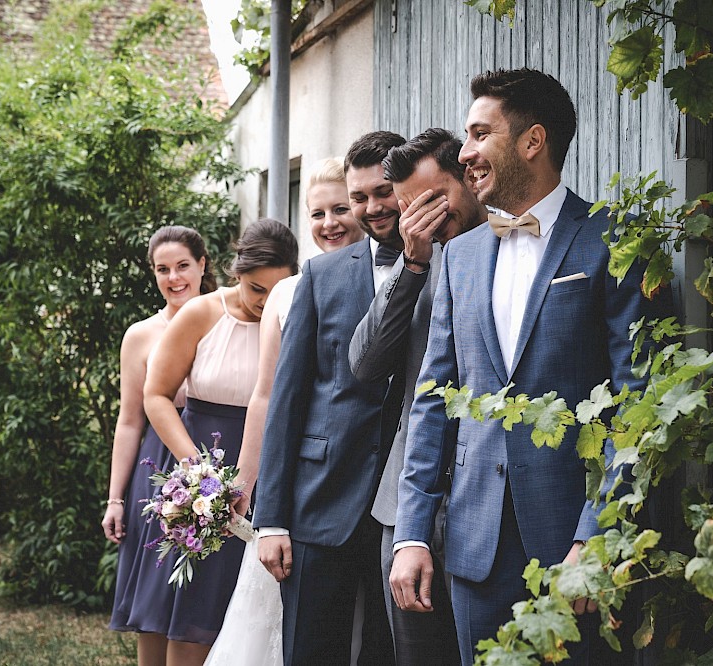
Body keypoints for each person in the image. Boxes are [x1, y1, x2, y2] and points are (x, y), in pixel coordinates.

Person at [390, 69, 669, 665]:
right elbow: (434, 400)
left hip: (576, 550)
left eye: (478, 134)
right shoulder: (458, 256)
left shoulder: (615, 240)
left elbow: (639, 405)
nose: (463, 154)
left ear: (532, 141)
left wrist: (596, 538)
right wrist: (413, 532)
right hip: (474, 547)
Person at [204, 157, 366, 666]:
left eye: (341, 207)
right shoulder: (288, 292)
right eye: (316, 213)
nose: (329, 223)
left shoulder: (402, 272)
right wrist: (248, 486)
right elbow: (268, 396)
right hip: (309, 487)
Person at [252, 131, 406, 665]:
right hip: (321, 499)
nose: (370, 207)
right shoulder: (321, 274)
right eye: (358, 197)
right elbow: (286, 398)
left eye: (380, 192)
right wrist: (270, 517)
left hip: (404, 508)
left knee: (387, 654)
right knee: (313, 650)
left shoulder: (449, 261)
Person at [348, 128, 487, 666]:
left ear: (469, 179)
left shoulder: (503, 247)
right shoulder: (415, 262)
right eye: (409, 208)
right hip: (408, 508)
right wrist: (413, 263)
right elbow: (365, 362)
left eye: (430, 200)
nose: (419, 218)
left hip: (489, 500)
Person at [143, 219, 299, 665]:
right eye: (255, 289)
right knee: (196, 609)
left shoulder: (294, 317)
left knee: (250, 605)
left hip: (267, 476)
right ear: (235, 273)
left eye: (276, 290)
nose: (265, 303)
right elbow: (155, 395)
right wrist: (198, 472)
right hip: (205, 478)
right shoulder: (202, 313)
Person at [105, 225, 216, 666]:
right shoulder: (141, 335)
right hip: (158, 474)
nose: (174, 278)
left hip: (217, 462)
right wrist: (116, 498)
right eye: (162, 269)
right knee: (153, 598)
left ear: (202, 265)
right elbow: (129, 420)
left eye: (183, 266)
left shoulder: (227, 316)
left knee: (204, 594)